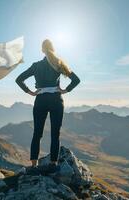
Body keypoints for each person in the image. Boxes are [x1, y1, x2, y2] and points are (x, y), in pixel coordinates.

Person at [15, 39, 80, 174]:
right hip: (56, 100)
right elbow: (76, 80)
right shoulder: (59, 64)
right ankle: (53, 164)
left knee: (37, 133)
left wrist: (31, 92)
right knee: (55, 134)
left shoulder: (36, 65)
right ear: (53, 49)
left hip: (41, 100)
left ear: (42, 50)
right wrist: (65, 90)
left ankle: (33, 166)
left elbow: (18, 79)